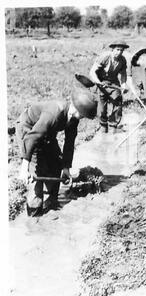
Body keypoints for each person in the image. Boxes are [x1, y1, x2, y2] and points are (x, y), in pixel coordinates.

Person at [16, 88, 98, 217]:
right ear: (77, 110)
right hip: (29, 130)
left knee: (55, 163)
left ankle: (51, 204)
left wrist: (66, 167)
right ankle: (34, 212)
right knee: (37, 170)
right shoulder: (54, 113)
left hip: (47, 133)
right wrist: (24, 168)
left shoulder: (74, 118)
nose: (82, 118)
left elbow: (69, 143)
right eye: (83, 115)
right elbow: (32, 138)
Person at [89, 40, 129, 133]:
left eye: (121, 50)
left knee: (118, 103)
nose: (119, 52)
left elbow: (123, 74)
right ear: (112, 49)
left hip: (113, 82)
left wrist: (123, 84)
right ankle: (103, 125)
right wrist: (98, 82)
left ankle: (113, 125)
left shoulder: (122, 60)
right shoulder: (105, 57)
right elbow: (92, 71)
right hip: (101, 81)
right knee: (101, 107)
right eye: (117, 49)